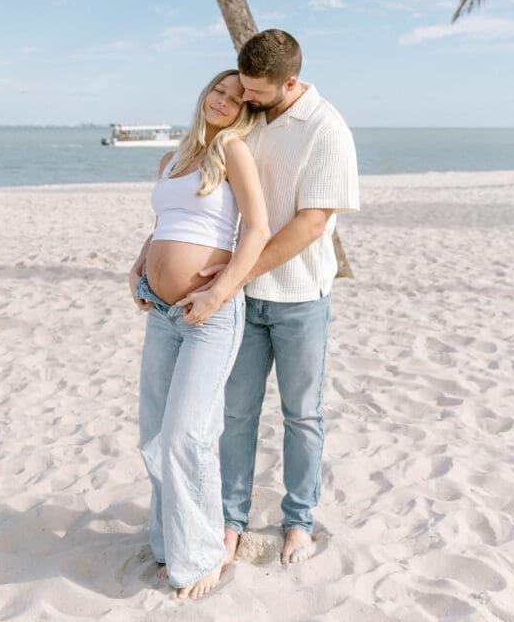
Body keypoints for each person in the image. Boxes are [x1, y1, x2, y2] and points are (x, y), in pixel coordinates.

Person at [182, 30, 359, 566]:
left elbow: (311, 224)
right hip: (243, 299)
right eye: (243, 87)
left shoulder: (326, 128)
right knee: (237, 414)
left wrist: (235, 275)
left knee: (301, 414)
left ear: (290, 81)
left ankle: (299, 521)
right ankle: (230, 520)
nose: (247, 98)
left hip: (300, 298)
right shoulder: (249, 116)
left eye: (257, 91)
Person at [128, 69, 270, 600]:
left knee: (186, 436)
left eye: (235, 99)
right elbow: (166, 222)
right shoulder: (171, 159)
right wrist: (138, 266)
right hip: (161, 312)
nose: (223, 101)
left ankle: (204, 554)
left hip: (209, 316)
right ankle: (170, 546)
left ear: (243, 112)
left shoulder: (233, 151)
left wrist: (217, 293)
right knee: (154, 436)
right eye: (218, 90)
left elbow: (257, 229)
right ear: (206, 92)